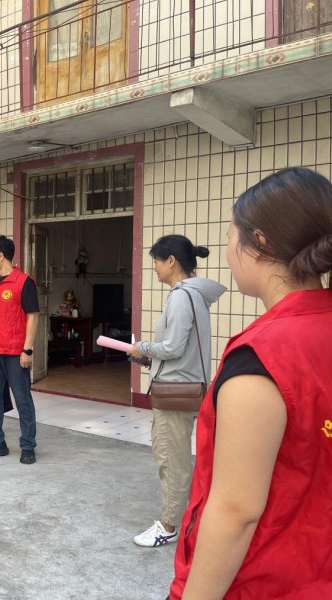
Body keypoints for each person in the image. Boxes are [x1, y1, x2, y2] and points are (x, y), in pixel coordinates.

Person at [169, 167, 332, 599]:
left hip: (264, 580)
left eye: (230, 237)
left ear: (259, 242)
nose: (227, 252)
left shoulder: (263, 356)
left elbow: (236, 510)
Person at [128, 235, 226, 548]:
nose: (155, 268)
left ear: (171, 261)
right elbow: (181, 350)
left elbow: (172, 347)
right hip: (183, 385)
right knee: (175, 456)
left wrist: (142, 347)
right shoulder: (194, 295)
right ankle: (180, 517)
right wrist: (148, 357)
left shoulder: (182, 296)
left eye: (157, 261)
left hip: (175, 391)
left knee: (171, 459)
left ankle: (168, 526)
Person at [0, 235, 40, 465]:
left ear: (1, 256)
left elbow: (33, 317)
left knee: (22, 399)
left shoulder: (24, 282)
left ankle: (28, 445)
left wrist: (27, 350)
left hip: (14, 353)